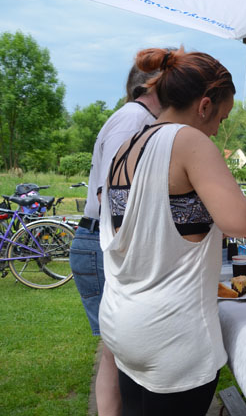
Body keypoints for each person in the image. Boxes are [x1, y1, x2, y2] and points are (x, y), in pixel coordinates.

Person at [99, 47, 246, 415]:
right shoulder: (188, 140)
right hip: (171, 336)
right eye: (221, 117)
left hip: (124, 321)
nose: (218, 129)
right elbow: (241, 222)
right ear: (204, 106)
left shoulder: (127, 146)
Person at [68, 62, 163, 416]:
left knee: (116, 352)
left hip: (104, 243)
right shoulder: (133, 119)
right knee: (116, 352)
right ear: (154, 84)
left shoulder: (141, 119)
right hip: (102, 244)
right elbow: (112, 196)